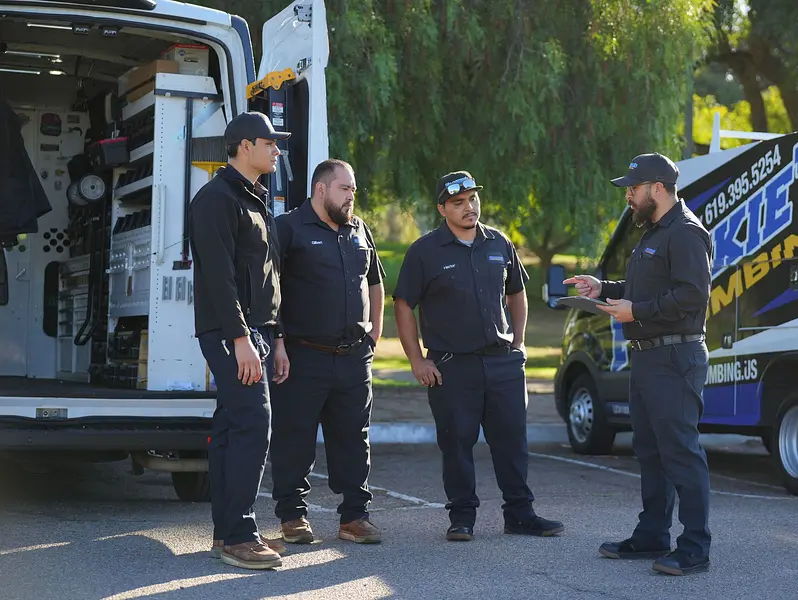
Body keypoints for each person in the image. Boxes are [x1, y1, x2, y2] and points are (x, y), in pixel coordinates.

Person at [393, 171, 564, 542]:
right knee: (457, 443)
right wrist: (417, 360)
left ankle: (520, 514)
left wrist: (519, 343)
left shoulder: (499, 242)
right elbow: (404, 304)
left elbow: (516, 293)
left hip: (503, 362)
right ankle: (462, 517)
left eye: (472, 199)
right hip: (452, 366)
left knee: (512, 442)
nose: (469, 207)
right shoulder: (425, 251)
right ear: (442, 209)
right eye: (458, 202)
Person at [564, 152, 713, 576]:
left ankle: (695, 547)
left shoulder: (686, 232)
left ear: (658, 188)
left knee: (681, 452)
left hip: (674, 356)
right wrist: (603, 288)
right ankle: (652, 535)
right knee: (649, 449)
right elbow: (642, 288)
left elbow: (693, 296)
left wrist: (638, 311)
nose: (628, 195)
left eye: (633, 188)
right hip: (648, 357)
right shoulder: (652, 232)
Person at [188, 111, 292, 570]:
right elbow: (219, 278)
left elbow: (268, 277)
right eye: (270, 143)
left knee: (232, 427)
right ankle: (240, 536)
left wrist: (277, 337)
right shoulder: (215, 199)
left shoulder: (255, 199)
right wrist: (239, 338)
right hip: (232, 333)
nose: (277, 150)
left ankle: (226, 531)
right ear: (245, 146)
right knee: (254, 422)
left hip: (258, 331)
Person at [270, 158, 386, 545]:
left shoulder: (359, 229)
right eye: (345, 188)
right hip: (304, 356)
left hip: (354, 356)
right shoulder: (288, 228)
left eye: (353, 189)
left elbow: (375, 283)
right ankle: (292, 516)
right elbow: (270, 290)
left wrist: (374, 334)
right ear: (321, 189)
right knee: (295, 437)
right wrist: (278, 342)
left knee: (353, 437)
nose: (352, 195)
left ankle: (354, 517)